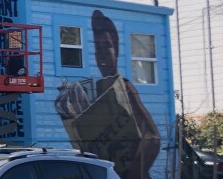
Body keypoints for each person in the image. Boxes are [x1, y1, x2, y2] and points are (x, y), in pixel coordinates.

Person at [55, 10, 161, 179]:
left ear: (116, 50)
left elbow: (153, 138)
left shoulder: (124, 88)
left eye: (107, 46)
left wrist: (132, 173)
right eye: (98, 47)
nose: (102, 53)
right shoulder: (91, 92)